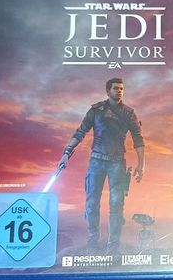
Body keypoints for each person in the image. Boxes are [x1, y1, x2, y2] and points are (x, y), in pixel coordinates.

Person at [59, 78, 145, 251]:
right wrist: (66, 153)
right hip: (97, 160)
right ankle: (93, 240)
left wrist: (142, 164)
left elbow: (138, 138)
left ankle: (113, 246)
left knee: (116, 204)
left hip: (117, 161)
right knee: (91, 204)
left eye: (121, 88)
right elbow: (81, 132)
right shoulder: (96, 110)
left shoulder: (129, 113)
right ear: (108, 91)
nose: (119, 91)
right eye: (115, 88)